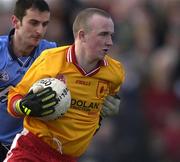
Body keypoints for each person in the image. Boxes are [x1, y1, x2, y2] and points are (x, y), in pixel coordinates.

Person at [6, 8, 125, 162]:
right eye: (103, 34)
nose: (109, 42)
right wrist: (23, 106)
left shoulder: (115, 73)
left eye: (111, 35)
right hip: (32, 149)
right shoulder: (51, 60)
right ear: (82, 35)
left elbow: (111, 101)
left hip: (69, 158)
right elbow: (13, 99)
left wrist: (113, 107)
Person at [0, 0, 57, 161]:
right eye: (33, 23)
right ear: (15, 22)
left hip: (29, 147)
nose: (40, 30)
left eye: (45, 24)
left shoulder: (51, 54)